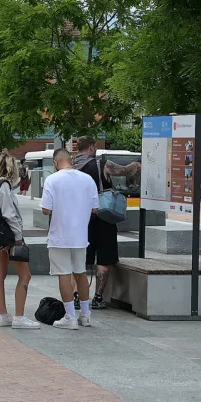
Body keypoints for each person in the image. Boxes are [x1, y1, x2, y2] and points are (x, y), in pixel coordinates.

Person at [41, 146, 98, 330]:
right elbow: (95, 208)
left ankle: (70, 317)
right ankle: (86, 314)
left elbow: (46, 209)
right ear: (71, 160)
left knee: (64, 274)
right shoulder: (88, 180)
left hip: (60, 235)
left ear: (56, 162)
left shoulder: (52, 180)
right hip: (81, 235)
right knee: (80, 273)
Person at [0, 151, 38, 329]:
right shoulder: (4, 186)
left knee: (0, 273)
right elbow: (9, 214)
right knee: (25, 275)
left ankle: (3, 315)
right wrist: (18, 238)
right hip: (8, 237)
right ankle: (19, 317)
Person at [72, 137, 125, 312]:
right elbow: (127, 171)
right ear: (92, 147)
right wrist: (138, 166)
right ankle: (98, 298)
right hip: (104, 217)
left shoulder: (71, 167)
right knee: (104, 259)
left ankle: (76, 297)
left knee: (81, 261)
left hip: (82, 220)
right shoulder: (101, 164)